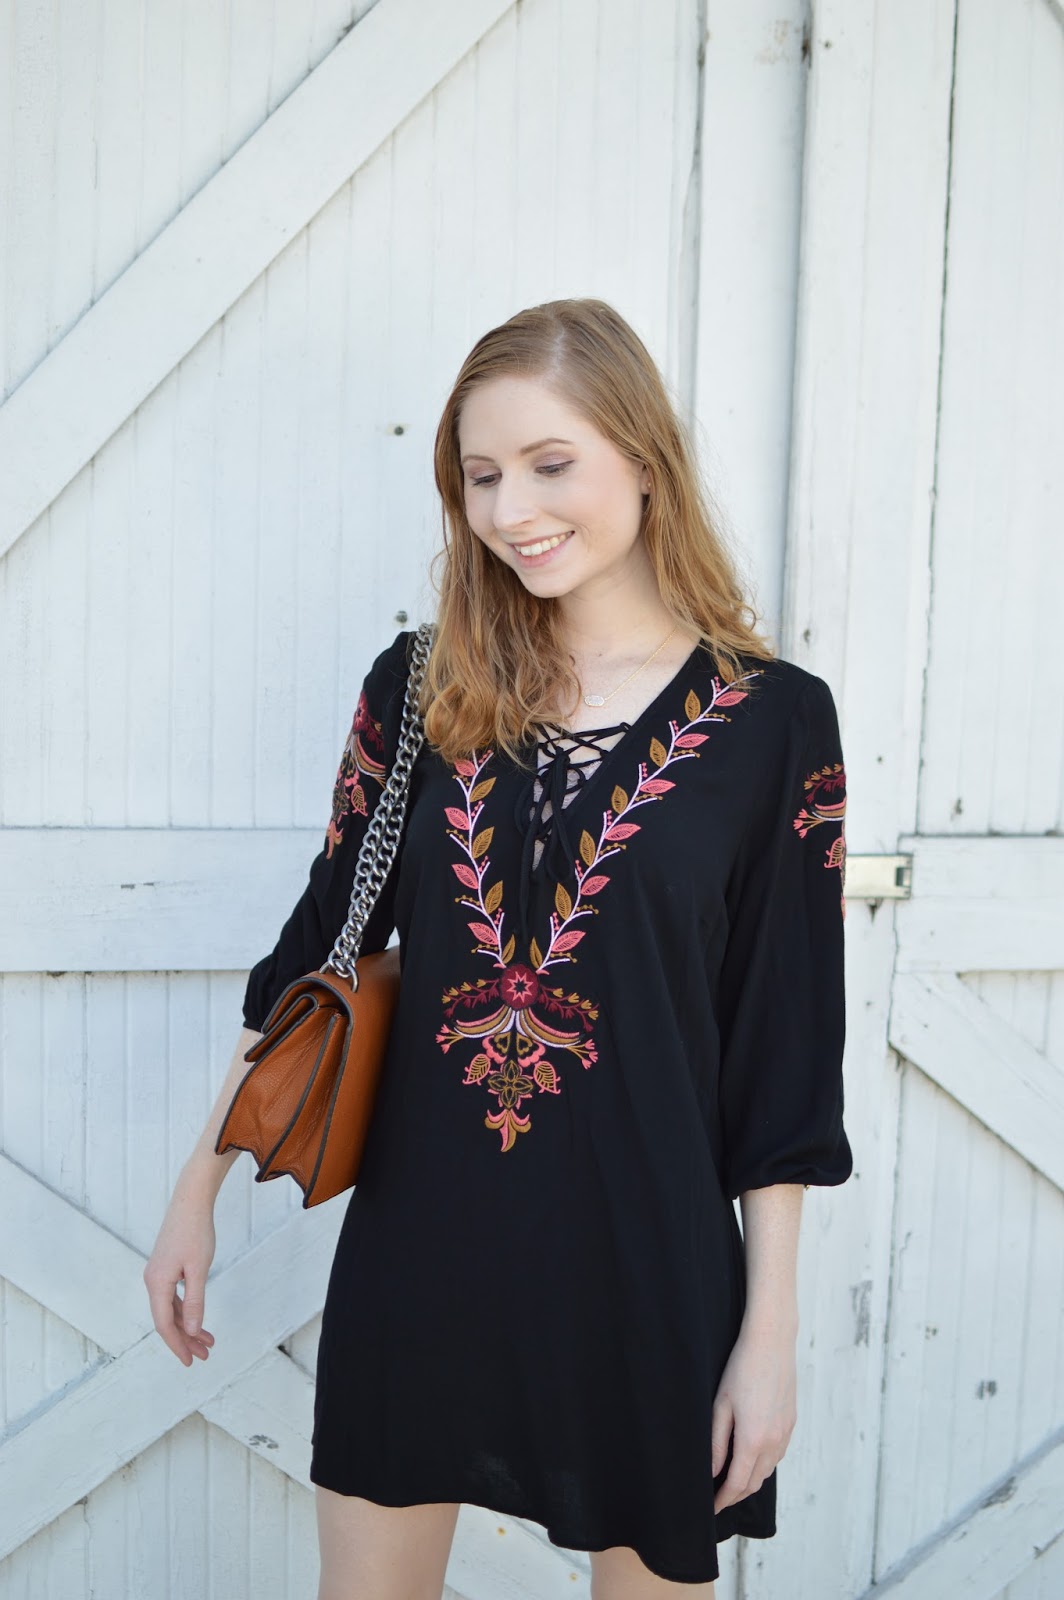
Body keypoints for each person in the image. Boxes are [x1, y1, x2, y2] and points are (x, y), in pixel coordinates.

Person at [144, 297, 852, 1600]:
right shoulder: (420, 687)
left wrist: (770, 1333)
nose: (511, 508)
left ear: (644, 459)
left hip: (651, 1267)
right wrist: (199, 1182)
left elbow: (783, 1046)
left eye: (549, 463)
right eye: (480, 476)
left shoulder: (774, 723)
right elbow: (317, 950)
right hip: (422, 1254)